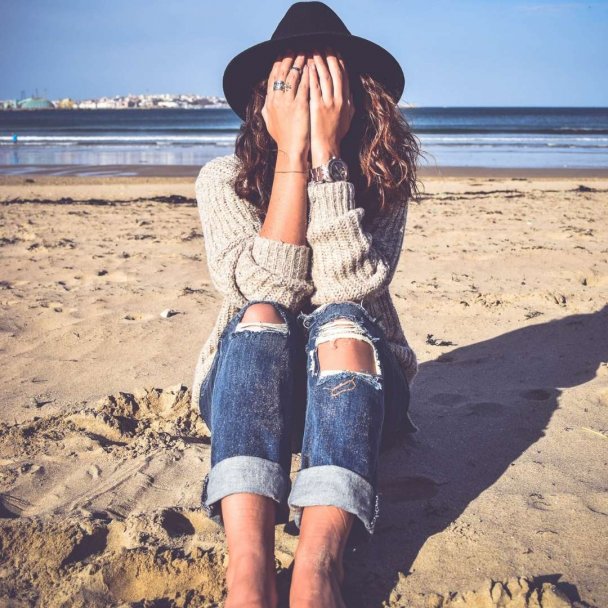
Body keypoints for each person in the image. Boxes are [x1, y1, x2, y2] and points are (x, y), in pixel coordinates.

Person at [191, 2, 422, 606]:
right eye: (293, 85)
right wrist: (291, 155)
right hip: (248, 391)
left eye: (325, 84)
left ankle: (320, 568)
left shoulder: (382, 181)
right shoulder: (222, 179)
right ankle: (249, 570)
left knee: (342, 321)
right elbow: (262, 293)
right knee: (262, 314)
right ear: (265, 99)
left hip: (362, 392)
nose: (309, 97)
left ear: (354, 94)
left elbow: (350, 292)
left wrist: (326, 160)